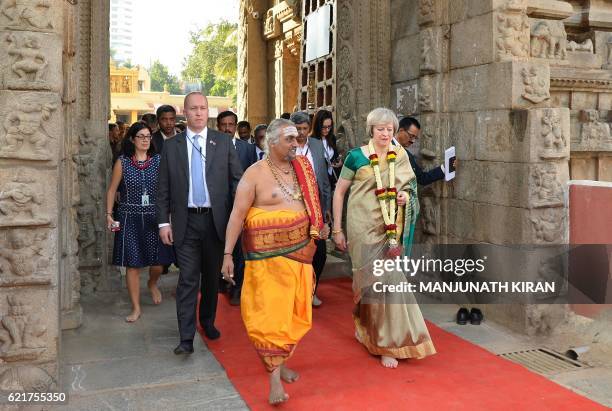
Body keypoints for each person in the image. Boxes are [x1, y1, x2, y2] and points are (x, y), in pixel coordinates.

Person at [221, 119, 328, 405]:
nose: (296, 143)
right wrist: (227, 255)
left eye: (297, 138)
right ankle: (273, 381)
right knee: (270, 318)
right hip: (266, 262)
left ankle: (281, 364)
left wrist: (322, 226)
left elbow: (314, 205)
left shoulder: (302, 168)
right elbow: (236, 217)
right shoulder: (253, 174)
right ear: (272, 142)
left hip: (300, 256)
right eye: (290, 139)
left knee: (293, 315)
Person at [332, 108, 436, 368]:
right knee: (366, 286)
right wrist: (337, 229)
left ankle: (389, 343)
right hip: (361, 228)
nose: (385, 134)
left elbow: (409, 188)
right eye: (381, 129)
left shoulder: (399, 155)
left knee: (390, 283)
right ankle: (365, 327)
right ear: (371, 130)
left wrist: (404, 198)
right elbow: (339, 192)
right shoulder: (356, 157)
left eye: (389, 129)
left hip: (390, 230)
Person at [156, 92, 243, 354]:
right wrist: (163, 223)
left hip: (216, 222)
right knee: (188, 279)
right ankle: (185, 337)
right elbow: (163, 189)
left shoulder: (223, 142)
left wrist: (240, 212)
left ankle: (207, 321)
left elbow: (238, 179)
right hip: (185, 221)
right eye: (193, 108)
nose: (198, 113)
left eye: (203, 108)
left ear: (209, 111)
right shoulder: (171, 146)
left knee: (211, 280)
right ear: (185, 112)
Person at [106, 122, 174, 322]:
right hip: (129, 218)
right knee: (132, 265)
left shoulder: (159, 161)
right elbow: (112, 190)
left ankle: (152, 283)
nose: (145, 140)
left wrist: (169, 216)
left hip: (156, 216)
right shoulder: (123, 162)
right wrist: (109, 214)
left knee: (159, 262)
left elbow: (167, 189)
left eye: (148, 136)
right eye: (141, 136)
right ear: (132, 139)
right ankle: (136, 307)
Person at [290, 111, 331, 307]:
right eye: (298, 129)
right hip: (292, 206)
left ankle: (311, 290)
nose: (301, 133)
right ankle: (294, 293)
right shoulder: (285, 145)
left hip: (315, 206)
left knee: (320, 252)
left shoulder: (315, 145)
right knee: (295, 253)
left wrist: (326, 206)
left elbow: (323, 176)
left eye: (305, 129)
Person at [217, 111, 257, 305]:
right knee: (219, 244)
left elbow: (252, 176)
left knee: (240, 249)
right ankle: (220, 282)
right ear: (218, 126)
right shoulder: (210, 147)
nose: (227, 128)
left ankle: (236, 286)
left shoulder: (247, 149)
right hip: (217, 207)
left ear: (235, 126)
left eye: (231, 124)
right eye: (223, 124)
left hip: (241, 206)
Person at [394, 116, 457, 186]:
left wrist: (446, 167)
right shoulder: (385, 147)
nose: (413, 141)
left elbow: (422, 178)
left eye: (415, 138)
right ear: (401, 130)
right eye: (411, 136)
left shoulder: (408, 155)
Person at [310, 109, 342, 190]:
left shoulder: (332, 138)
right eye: (324, 127)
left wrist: (339, 163)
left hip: (332, 182)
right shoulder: (311, 141)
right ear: (318, 125)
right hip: (319, 185)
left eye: (329, 127)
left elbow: (335, 156)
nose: (327, 130)